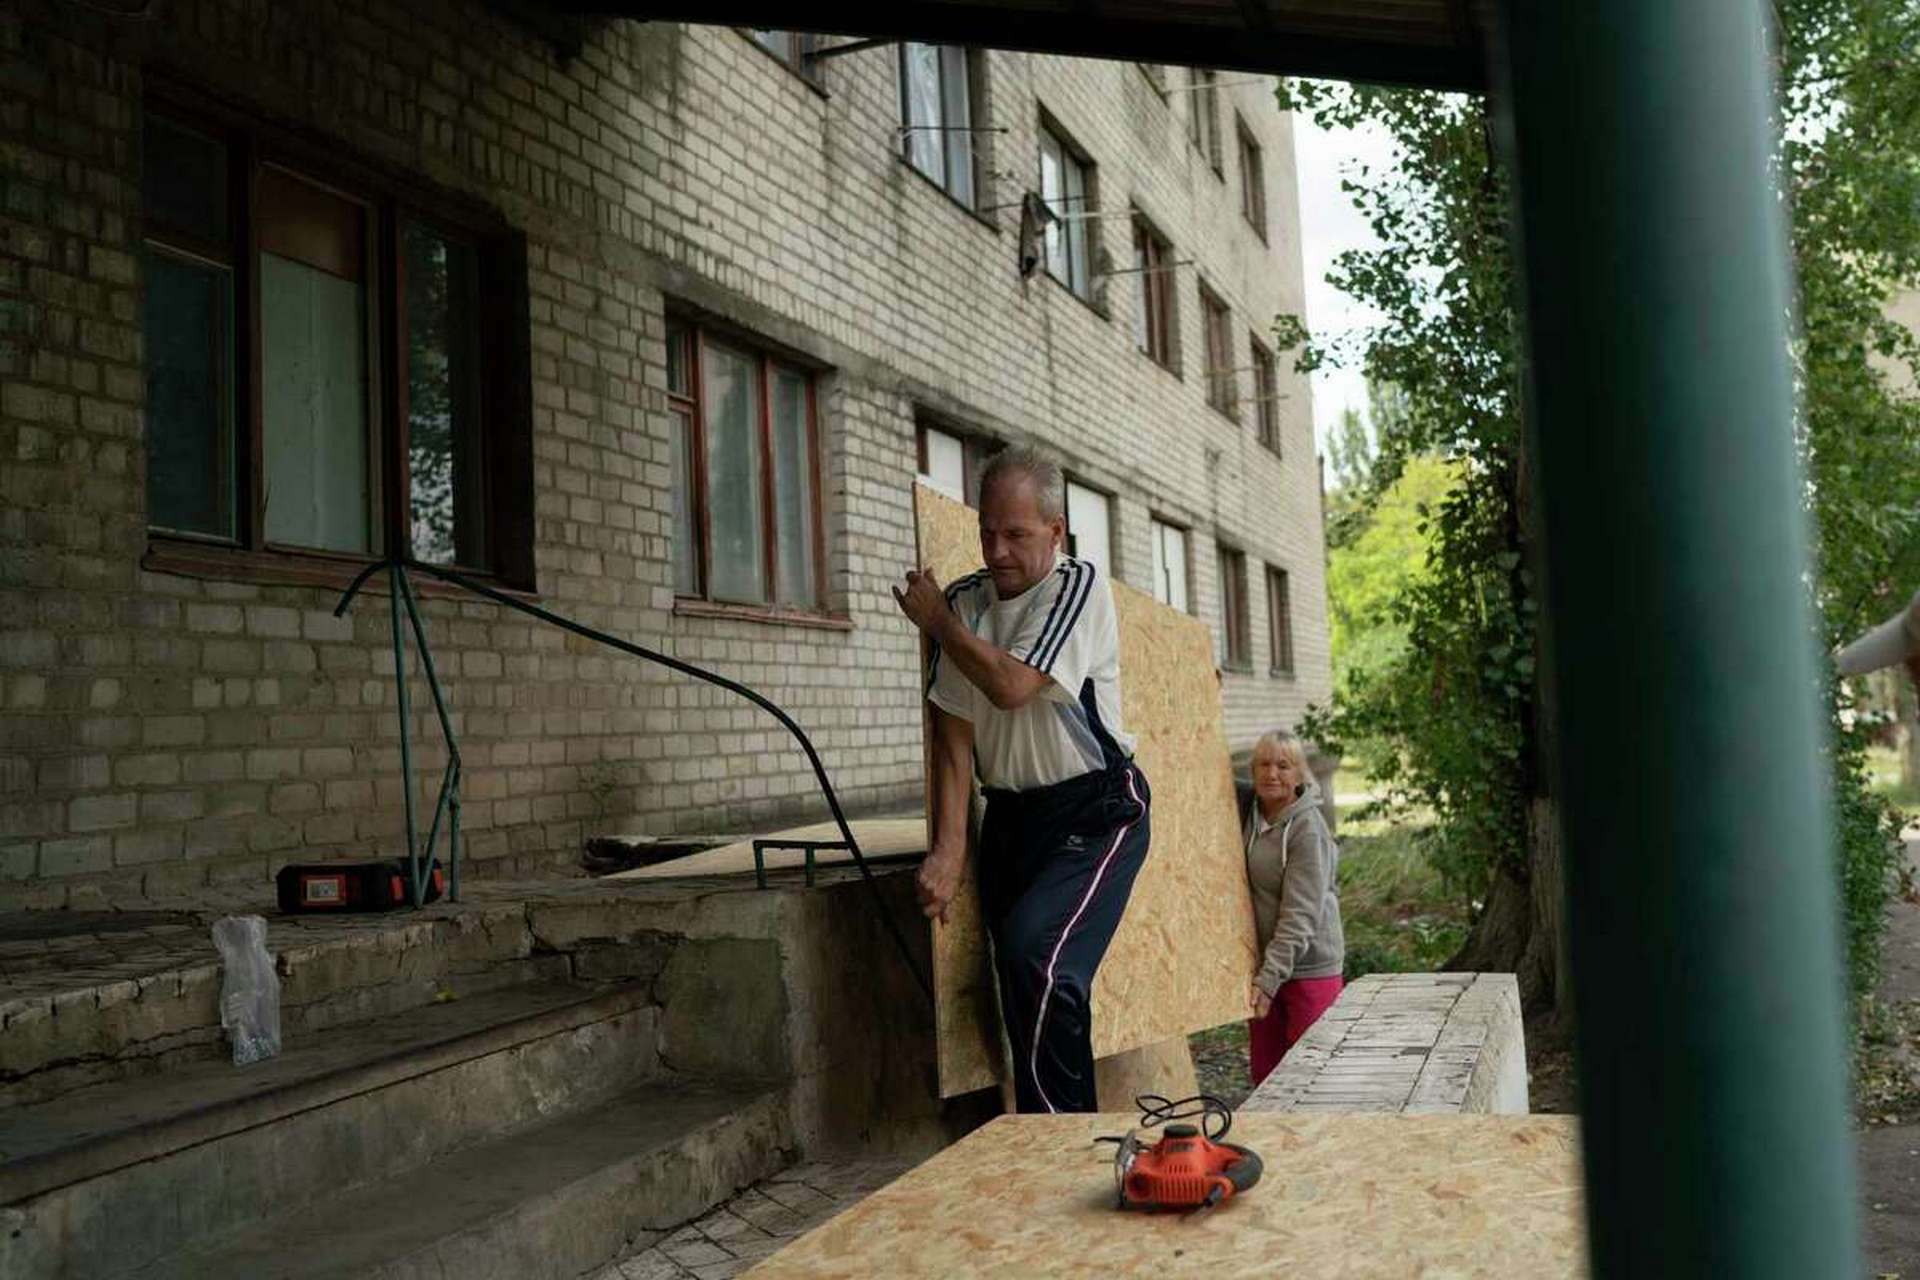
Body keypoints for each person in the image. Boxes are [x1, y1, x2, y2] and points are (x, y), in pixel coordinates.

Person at [893, 445, 1151, 1114]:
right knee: (1019, 985)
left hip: (1095, 812)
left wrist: (941, 627)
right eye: (987, 532)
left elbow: (1011, 686)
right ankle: (1047, 1142)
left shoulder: (1076, 588)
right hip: (1010, 818)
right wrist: (950, 850)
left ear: (1056, 533)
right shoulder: (963, 603)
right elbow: (952, 734)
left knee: (1041, 960)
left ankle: (1064, 1145)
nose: (998, 550)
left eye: (1017, 534)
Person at [1243, 730, 1344, 1086]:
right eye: (1264, 765)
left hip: (1309, 968)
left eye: (1283, 766)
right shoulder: (1249, 816)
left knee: (1309, 1080)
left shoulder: (1307, 829)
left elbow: (1300, 915)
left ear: (1300, 774)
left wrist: (1268, 981)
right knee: (1267, 1080)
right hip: (1268, 968)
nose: (1272, 774)